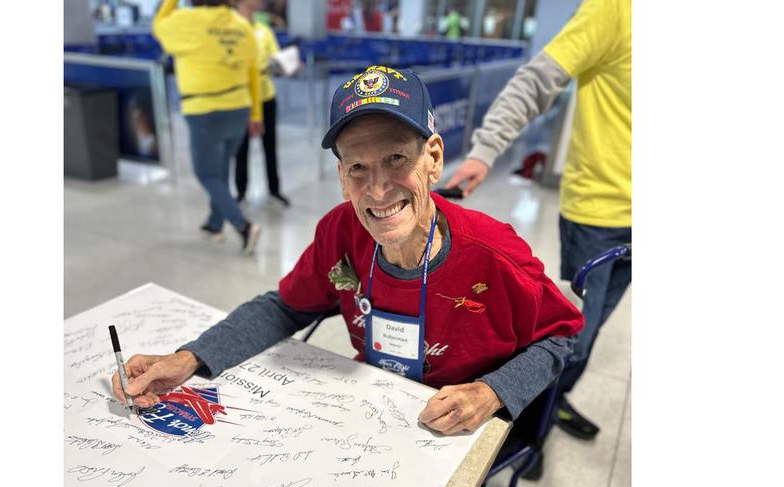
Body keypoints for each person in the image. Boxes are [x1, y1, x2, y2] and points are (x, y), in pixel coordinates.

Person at [113, 65, 584, 438]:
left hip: (458, 423)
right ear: (341, 177)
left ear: (434, 158)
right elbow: (284, 308)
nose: (378, 188)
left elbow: (563, 334)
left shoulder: (494, 253)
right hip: (372, 408)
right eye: (358, 166)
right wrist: (191, 358)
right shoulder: (340, 232)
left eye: (397, 158)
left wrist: (492, 392)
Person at [445, 0, 631, 440]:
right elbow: (536, 82)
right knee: (574, 337)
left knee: (594, 330)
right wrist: (484, 150)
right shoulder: (617, 10)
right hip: (599, 214)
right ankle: (527, 429)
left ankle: (550, 406)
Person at [153, 0, 263, 253]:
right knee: (221, 168)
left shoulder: (185, 22)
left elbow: (158, 25)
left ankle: (243, 226)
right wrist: (256, 112)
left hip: (204, 110)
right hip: (239, 107)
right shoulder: (241, 24)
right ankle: (215, 224)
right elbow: (253, 72)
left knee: (207, 174)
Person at [233, 0, 290, 207]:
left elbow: (276, 58)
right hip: (241, 98)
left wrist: (283, 65)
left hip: (266, 96)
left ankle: (274, 189)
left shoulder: (264, 30)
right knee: (241, 147)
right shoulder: (232, 29)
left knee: (270, 145)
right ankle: (241, 191)